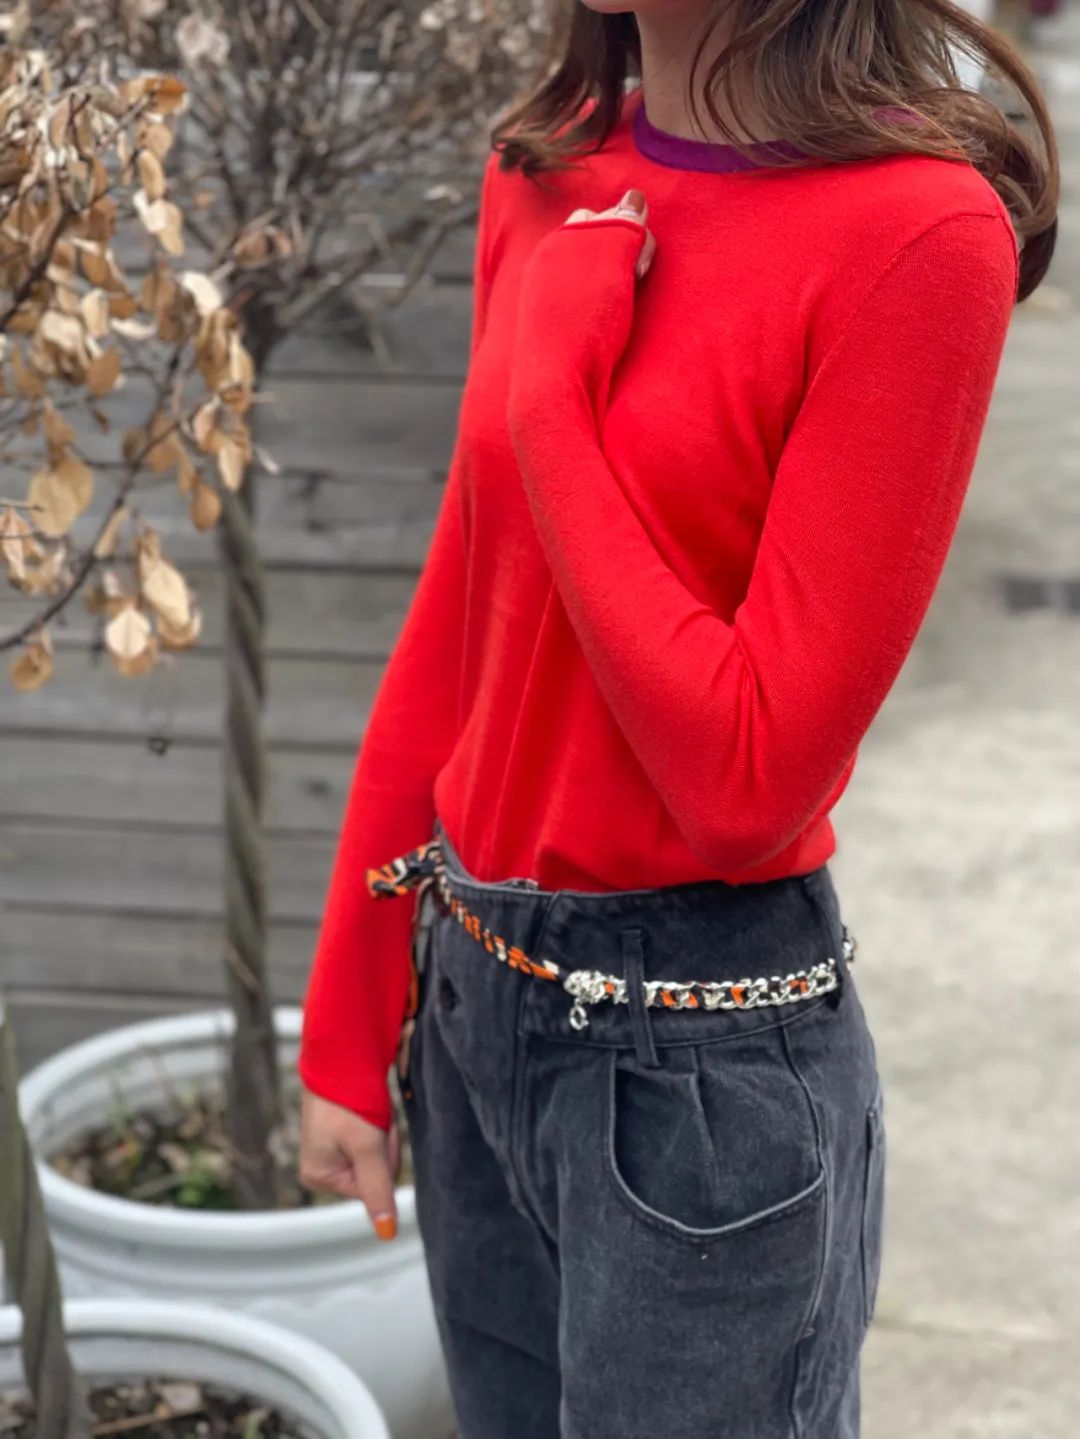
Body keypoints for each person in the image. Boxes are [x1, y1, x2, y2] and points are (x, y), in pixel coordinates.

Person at [297, 1, 1058, 1434]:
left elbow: (747, 781)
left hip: (701, 1086)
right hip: (469, 1007)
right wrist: (349, 1027)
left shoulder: (918, 234)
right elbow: (465, 613)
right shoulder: (549, 164)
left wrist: (554, 408)